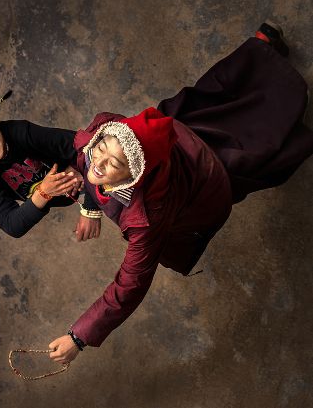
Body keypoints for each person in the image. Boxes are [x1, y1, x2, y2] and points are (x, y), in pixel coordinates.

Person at [47, 22, 313, 364]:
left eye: (113, 162)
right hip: (174, 128)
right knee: (209, 95)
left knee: (254, 153)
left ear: (133, 173)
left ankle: (294, 125)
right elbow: (72, 152)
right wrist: (89, 206)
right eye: (99, 152)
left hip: (207, 171)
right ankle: (260, 49)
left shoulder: (147, 220)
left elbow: (130, 285)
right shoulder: (103, 133)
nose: (96, 162)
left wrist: (78, 337)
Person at [0, 92, 103, 240]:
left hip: (94, 175)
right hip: (80, 185)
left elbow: (89, 146)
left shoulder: (21, 132)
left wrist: (90, 207)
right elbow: (11, 224)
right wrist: (44, 192)